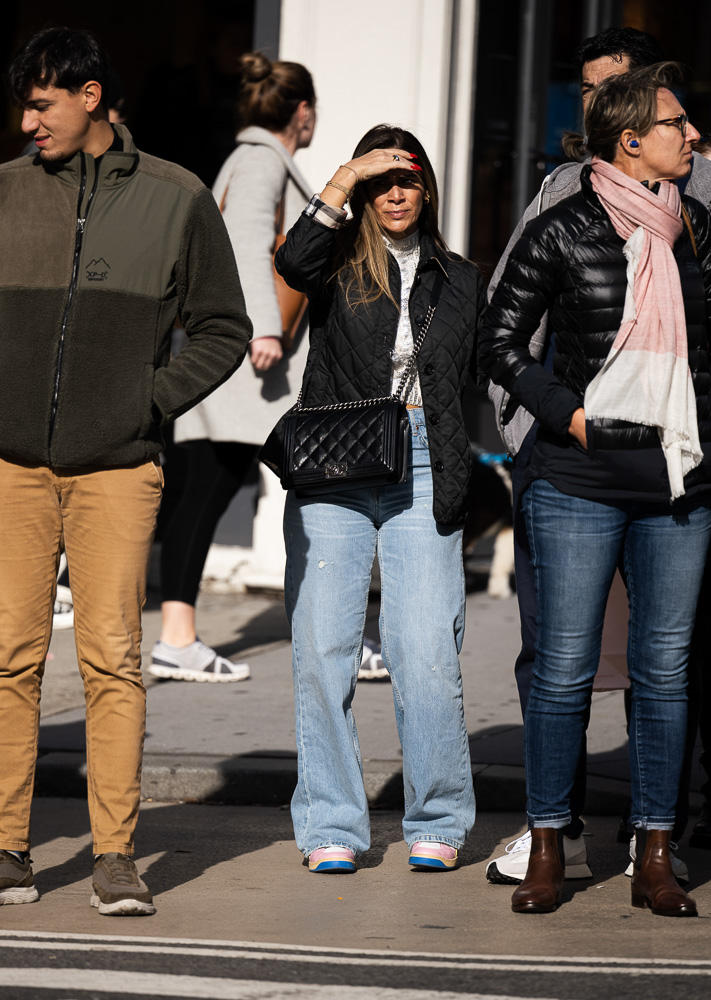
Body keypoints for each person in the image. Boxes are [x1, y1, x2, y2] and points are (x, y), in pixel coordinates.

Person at [0, 27, 251, 913]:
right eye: (25, 104)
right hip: (12, 466)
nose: (27, 120)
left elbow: (224, 326)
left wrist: (148, 402)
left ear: (92, 96)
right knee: (8, 658)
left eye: (42, 102)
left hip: (118, 466)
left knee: (113, 659)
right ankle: (7, 847)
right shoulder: (5, 195)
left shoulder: (177, 197)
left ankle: (113, 855)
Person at [480, 62, 711, 915]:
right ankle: (548, 844)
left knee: (665, 671)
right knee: (566, 670)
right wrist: (569, 417)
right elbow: (499, 340)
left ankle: (656, 851)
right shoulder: (564, 226)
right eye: (677, 124)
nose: (692, 135)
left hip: (680, 487)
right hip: (577, 480)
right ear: (631, 141)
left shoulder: (701, 232)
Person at [275, 124, 485, 873]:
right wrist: (342, 174)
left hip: (425, 460)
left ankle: (437, 816)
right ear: (364, 192)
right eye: (380, 181)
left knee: (423, 648)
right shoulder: (334, 262)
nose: (395, 192)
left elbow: (483, 372)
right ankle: (331, 824)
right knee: (322, 650)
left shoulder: (460, 278)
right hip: (336, 464)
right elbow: (290, 262)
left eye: (408, 179)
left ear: (428, 190)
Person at [150, 51, 315, 684]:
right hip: (247, 365)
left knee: (203, 493)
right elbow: (246, 242)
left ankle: (178, 636)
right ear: (302, 113)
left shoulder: (247, 159)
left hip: (229, 361)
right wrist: (265, 330)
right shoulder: (260, 161)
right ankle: (179, 637)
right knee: (226, 492)